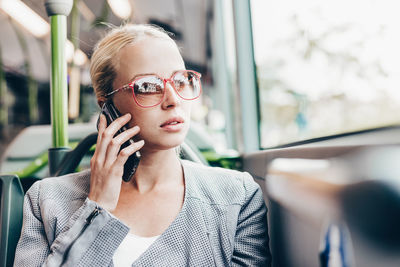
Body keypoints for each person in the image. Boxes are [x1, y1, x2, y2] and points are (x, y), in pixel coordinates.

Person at [14, 24, 271, 267]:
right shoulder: (46, 201)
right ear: (107, 105)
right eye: (148, 86)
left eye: (181, 80)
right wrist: (97, 208)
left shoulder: (237, 197)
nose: (173, 100)